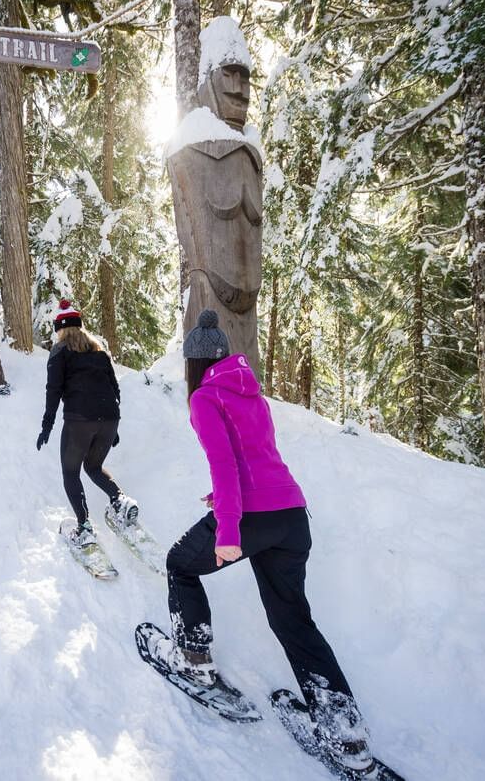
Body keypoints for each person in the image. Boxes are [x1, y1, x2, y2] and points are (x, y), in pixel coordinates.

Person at [151, 308, 374, 772]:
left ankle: (194, 658)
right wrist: (222, 499)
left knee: (179, 563)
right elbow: (257, 458)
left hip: (252, 518)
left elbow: (226, 464)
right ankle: (345, 734)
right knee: (293, 619)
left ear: (193, 364)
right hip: (292, 516)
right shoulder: (252, 393)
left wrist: (229, 528)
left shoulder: (205, 398)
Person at [36, 300, 138, 548]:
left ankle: (84, 527)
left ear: (60, 329)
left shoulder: (60, 353)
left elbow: (54, 391)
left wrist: (47, 425)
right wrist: (111, 426)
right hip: (109, 417)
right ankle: (120, 501)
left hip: (80, 421)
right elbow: (114, 389)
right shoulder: (99, 353)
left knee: (71, 472)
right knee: (93, 466)